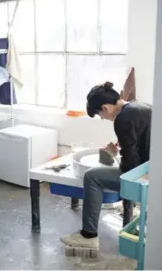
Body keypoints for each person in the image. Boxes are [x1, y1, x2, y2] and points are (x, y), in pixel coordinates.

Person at [60, 81, 151, 249]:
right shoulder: (138, 105)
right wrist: (122, 150)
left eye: (101, 116)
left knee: (92, 177)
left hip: (149, 176)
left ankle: (88, 236)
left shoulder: (122, 119)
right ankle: (133, 210)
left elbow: (130, 167)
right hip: (152, 165)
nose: (103, 119)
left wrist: (115, 156)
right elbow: (140, 145)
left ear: (105, 108)